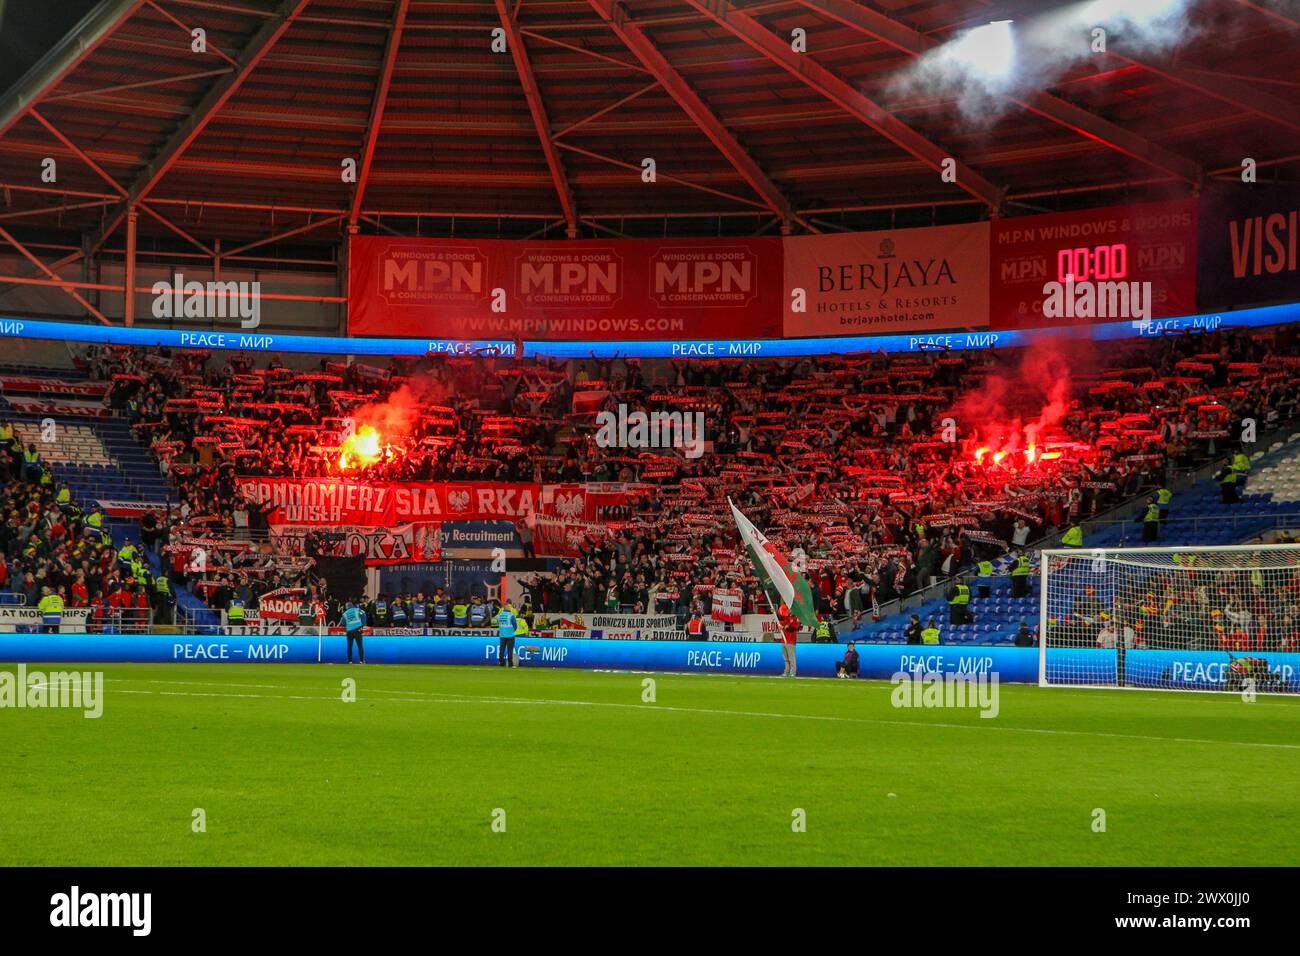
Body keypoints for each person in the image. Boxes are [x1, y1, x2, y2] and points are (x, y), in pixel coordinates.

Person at [776, 602, 799, 677]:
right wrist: (774, 611)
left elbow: (793, 628)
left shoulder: (795, 618)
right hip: (784, 640)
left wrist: (784, 627)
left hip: (791, 641)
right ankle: (786, 671)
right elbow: (779, 618)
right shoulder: (786, 618)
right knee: (785, 658)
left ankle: (793, 672)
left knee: (791, 658)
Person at [496, 601, 518, 667]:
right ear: (507, 607)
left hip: (502, 635)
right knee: (510, 650)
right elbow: (515, 626)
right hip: (510, 635)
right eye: (509, 606)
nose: (510, 608)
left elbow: (498, 623)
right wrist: (512, 631)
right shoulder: (511, 616)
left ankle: (501, 663)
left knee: (502, 649)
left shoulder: (499, 616)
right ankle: (510, 664)